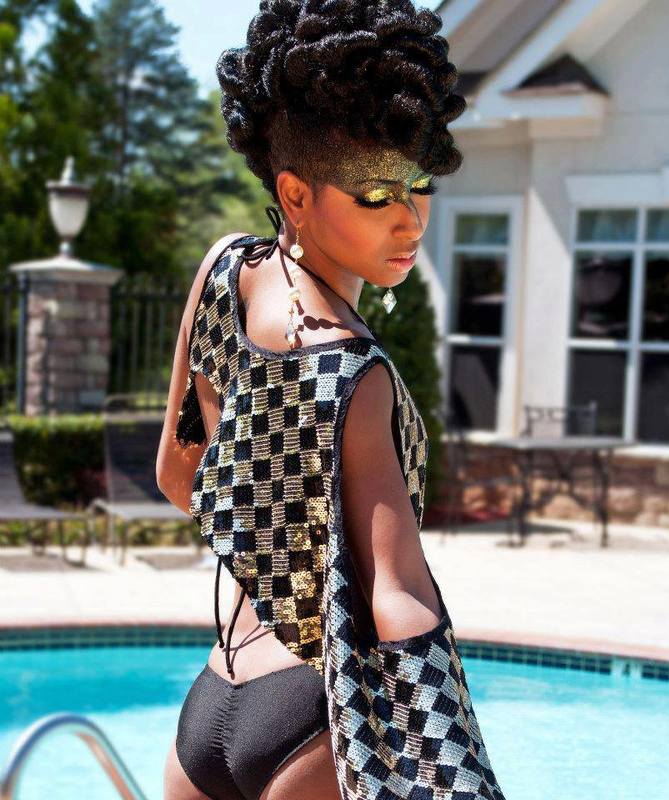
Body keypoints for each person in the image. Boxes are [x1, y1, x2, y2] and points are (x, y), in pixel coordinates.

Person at [157, 2, 506, 799]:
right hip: (313, 714)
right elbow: (396, 593)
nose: (410, 221)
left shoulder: (224, 272)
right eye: (376, 196)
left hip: (215, 697)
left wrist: (277, 527)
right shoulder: (358, 369)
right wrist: (457, 773)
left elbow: (181, 479)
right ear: (295, 192)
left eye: (419, 185)